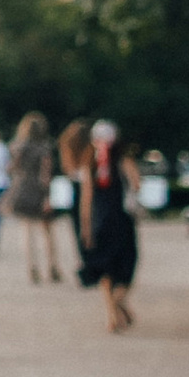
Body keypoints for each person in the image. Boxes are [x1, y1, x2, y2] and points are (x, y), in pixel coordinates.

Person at [78, 115, 142, 333]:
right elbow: (136, 184)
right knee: (126, 266)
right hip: (122, 221)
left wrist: (85, 228)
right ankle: (120, 299)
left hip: (99, 223)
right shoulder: (124, 160)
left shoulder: (89, 165)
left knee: (105, 272)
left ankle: (112, 316)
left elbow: (86, 200)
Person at [7, 110, 61, 283]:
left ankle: (32, 267)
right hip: (38, 191)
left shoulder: (18, 147)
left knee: (27, 231)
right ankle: (52, 266)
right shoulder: (44, 148)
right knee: (47, 232)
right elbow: (45, 175)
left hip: (22, 189)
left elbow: (11, 168)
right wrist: (47, 197)